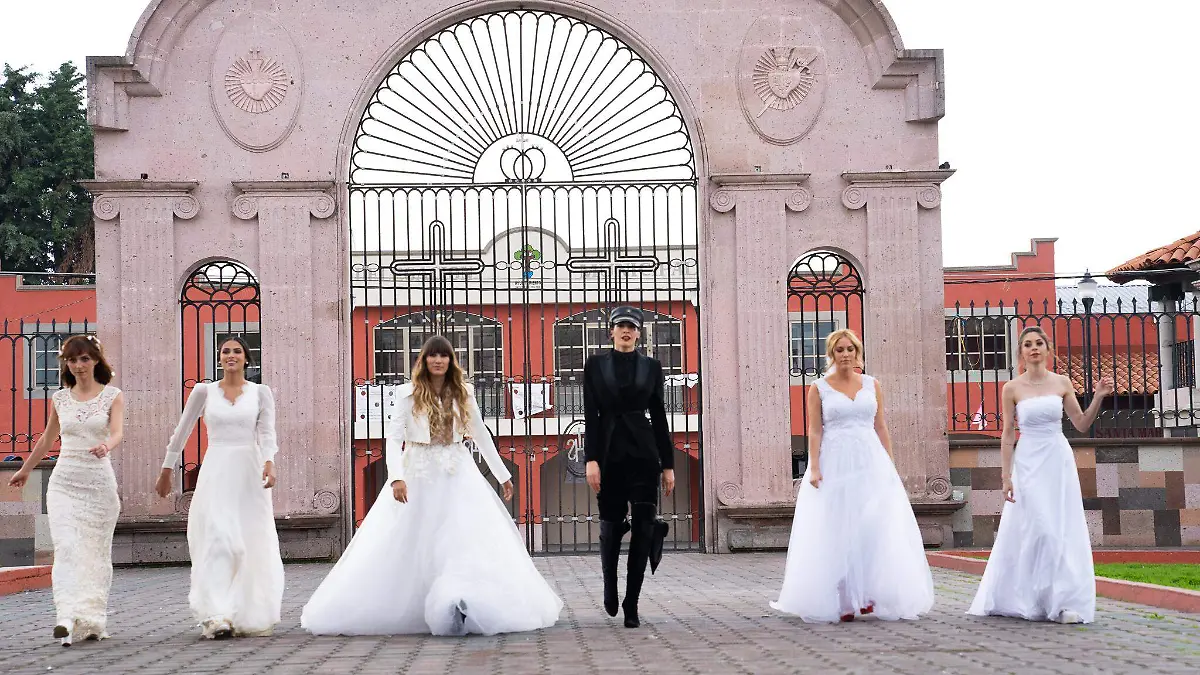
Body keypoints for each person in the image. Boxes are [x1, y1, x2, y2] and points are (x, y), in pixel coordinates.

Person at [301, 335, 562, 636]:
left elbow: (480, 433)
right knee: (413, 537)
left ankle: (459, 601)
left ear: (451, 360)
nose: (438, 360)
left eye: (444, 355)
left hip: (456, 469)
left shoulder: (463, 392)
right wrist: (396, 477)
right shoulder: (407, 393)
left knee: (461, 535)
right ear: (424, 360)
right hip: (419, 469)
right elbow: (394, 438)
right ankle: (418, 603)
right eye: (432, 355)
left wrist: (503, 474)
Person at [771, 329, 933, 623]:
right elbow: (815, 430)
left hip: (870, 461)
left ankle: (868, 592)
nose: (845, 354)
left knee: (872, 525)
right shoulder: (819, 388)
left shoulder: (872, 385)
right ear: (831, 354)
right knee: (840, 528)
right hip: (835, 463)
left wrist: (889, 463)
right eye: (839, 350)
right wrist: (815, 467)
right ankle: (845, 595)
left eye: (850, 349)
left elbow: (880, 426)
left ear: (857, 352)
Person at [968, 326, 1113, 624]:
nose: (1033, 348)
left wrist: (1098, 396)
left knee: (1059, 528)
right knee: (1038, 528)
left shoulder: (1062, 382)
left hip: (1057, 460)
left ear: (1048, 349)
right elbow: (1008, 434)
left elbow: (1081, 423)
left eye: (1039, 343)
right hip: (1028, 462)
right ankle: (1027, 597)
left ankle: (1062, 602)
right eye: (1027, 344)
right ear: (1021, 352)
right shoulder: (1012, 388)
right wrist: (1006, 476)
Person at [155, 336, 284, 639]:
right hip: (217, 470)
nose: (231, 355)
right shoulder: (204, 392)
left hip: (249, 472)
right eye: (225, 351)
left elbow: (267, 433)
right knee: (220, 539)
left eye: (237, 351)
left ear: (246, 358)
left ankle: (243, 610)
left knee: (249, 543)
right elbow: (182, 430)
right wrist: (166, 469)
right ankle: (216, 615)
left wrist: (269, 461)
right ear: (219, 358)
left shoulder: (261, 393)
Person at [8, 335, 124, 646]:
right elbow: (48, 439)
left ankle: (92, 619)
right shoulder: (60, 399)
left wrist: (106, 445)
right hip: (64, 482)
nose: (78, 365)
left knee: (95, 553)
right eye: (72, 360)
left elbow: (117, 432)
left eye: (84, 359)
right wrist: (25, 469)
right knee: (67, 547)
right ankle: (66, 615)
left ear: (96, 360)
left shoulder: (112, 395)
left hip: (98, 484)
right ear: (66, 363)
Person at [583, 306, 675, 629]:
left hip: (644, 455)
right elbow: (591, 416)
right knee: (610, 527)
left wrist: (668, 465)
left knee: (644, 527)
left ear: (638, 333)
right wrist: (591, 460)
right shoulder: (595, 365)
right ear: (611, 331)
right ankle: (610, 585)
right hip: (609, 456)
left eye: (632, 327)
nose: (626, 331)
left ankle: (631, 602)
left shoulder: (651, 367)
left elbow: (660, 417)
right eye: (621, 326)